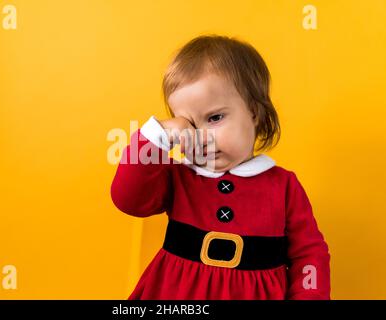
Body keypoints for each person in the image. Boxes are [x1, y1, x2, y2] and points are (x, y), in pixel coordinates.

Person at [110, 34, 330, 299]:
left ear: (254, 113)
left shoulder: (284, 186)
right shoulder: (179, 176)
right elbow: (128, 198)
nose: (201, 137)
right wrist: (158, 134)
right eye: (188, 124)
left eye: (214, 118)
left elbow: (309, 254)